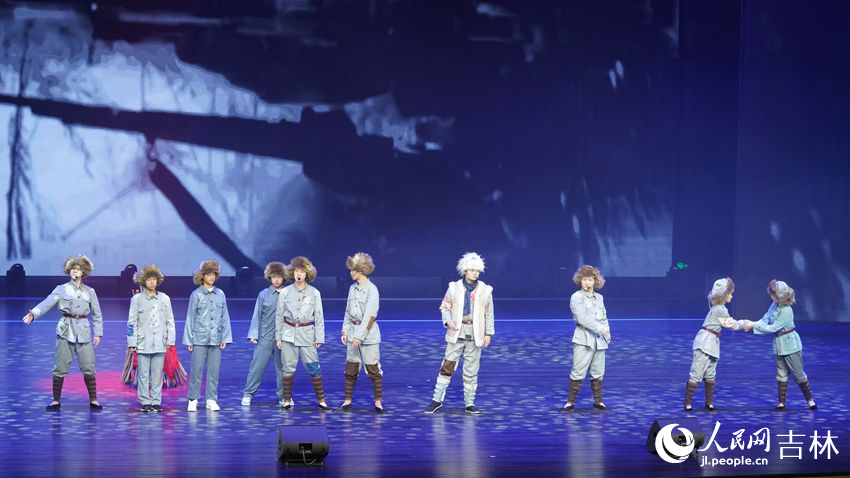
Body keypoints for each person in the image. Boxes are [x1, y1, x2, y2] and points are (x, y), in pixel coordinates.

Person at [22, 255, 104, 411]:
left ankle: (94, 400)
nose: (75, 271)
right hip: (66, 330)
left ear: (83, 272)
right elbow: (47, 303)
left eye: (78, 269)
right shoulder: (61, 289)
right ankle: (55, 401)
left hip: (84, 331)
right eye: (72, 268)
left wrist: (98, 333)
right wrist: (34, 314)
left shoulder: (90, 291)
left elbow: (97, 314)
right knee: (60, 367)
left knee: (88, 366)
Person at [424, 252, 494, 415]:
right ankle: (436, 400)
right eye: (472, 270)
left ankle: (469, 403)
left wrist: (488, 333)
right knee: (447, 366)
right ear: (465, 271)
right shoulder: (454, 288)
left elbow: (489, 313)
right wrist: (448, 320)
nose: (475, 273)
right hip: (457, 332)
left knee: (471, 370)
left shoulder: (485, 290)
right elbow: (445, 306)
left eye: (477, 271)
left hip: (475, 334)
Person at [275, 256, 329, 411]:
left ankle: (321, 400)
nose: (299, 274)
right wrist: (278, 337)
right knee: (288, 367)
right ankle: (286, 400)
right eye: (297, 271)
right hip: (288, 334)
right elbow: (279, 315)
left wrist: (319, 337)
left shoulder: (314, 293)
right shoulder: (285, 292)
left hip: (307, 334)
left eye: (302, 271)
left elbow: (319, 316)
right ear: (292, 273)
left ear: (307, 274)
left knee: (313, 367)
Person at [183, 260, 232, 412]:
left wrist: (225, 338)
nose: (211, 277)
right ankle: (193, 399)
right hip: (199, 338)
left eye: (214, 274)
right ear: (202, 276)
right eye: (208, 274)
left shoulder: (220, 294)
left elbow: (225, 317)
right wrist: (189, 339)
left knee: (213, 371)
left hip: (216, 339)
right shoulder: (196, 294)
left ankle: (211, 399)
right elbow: (190, 317)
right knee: (196, 370)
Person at [126, 264, 177, 412]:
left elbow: (170, 321)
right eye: (149, 279)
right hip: (143, 342)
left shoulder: (165, 298)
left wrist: (171, 341)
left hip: (160, 342)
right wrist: (132, 342)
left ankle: (156, 401)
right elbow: (131, 322)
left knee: (157, 374)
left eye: (154, 279)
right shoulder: (137, 299)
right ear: (144, 281)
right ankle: (144, 401)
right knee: (143, 374)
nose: (152, 282)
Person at [339, 252, 384, 413]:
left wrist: (359, 336)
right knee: (351, 368)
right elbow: (348, 311)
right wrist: (345, 331)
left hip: (368, 336)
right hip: (352, 332)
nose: (351, 273)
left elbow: (370, 316)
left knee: (373, 370)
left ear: (361, 270)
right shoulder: (352, 288)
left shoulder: (372, 290)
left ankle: (378, 403)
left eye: (353, 270)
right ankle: (347, 401)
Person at [563, 265, 610, 411]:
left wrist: (607, 333)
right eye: (584, 280)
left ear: (595, 281)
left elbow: (604, 317)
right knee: (578, 371)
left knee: (598, 371)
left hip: (599, 341)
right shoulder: (576, 297)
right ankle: (570, 402)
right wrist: (601, 328)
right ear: (580, 281)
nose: (587, 283)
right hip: (583, 339)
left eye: (590, 279)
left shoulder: (600, 298)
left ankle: (598, 401)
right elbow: (583, 319)